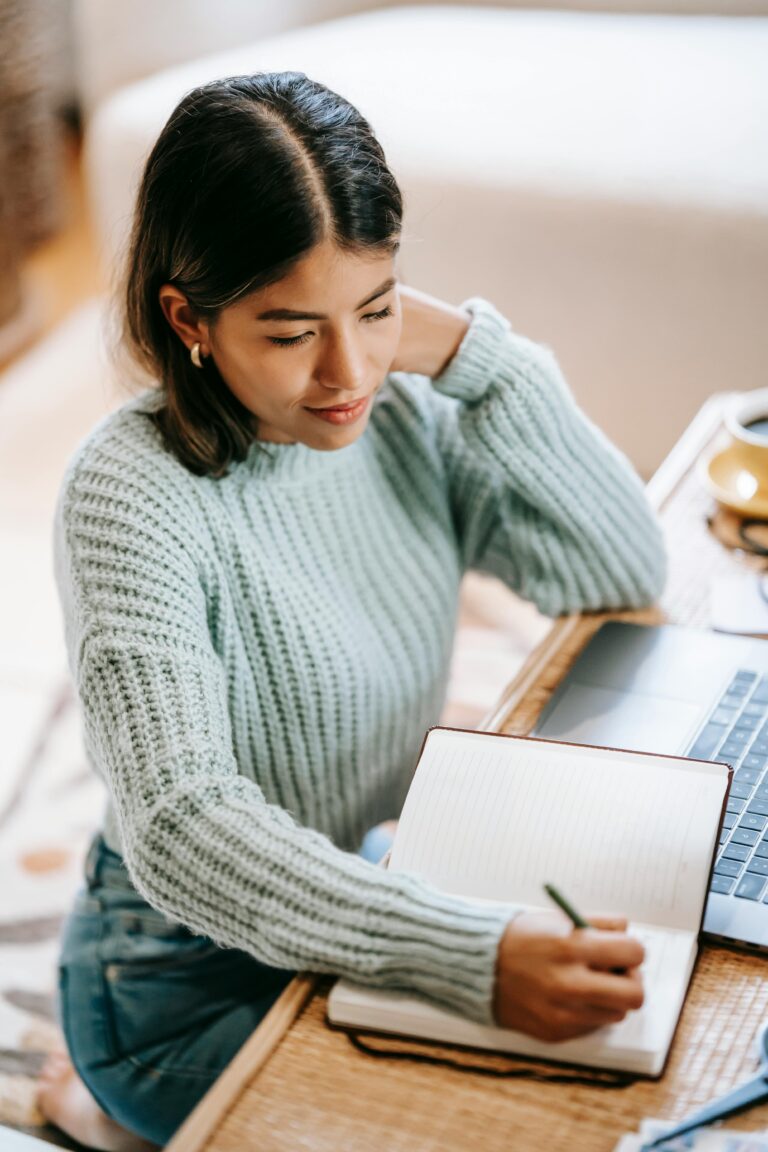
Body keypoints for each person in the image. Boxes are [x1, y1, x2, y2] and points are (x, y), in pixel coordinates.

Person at [37, 71, 664, 1150]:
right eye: (290, 334)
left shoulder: (396, 408)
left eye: (376, 310)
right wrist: (461, 954)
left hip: (355, 892)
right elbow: (182, 828)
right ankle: (96, 1100)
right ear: (187, 317)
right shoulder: (126, 496)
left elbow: (616, 570)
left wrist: (481, 360)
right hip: (175, 981)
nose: (348, 373)